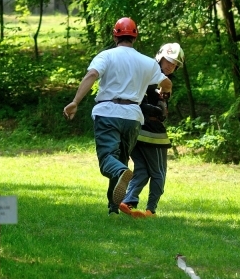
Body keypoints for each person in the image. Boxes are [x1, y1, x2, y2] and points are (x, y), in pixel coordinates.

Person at [63, 18, 172, 215]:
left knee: (108, 160)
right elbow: (166, 83)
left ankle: (121, 175)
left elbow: (91, 76)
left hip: (107, 113)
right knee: (121, 159)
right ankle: (113, 209)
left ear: (115, 36)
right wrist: (163, 96)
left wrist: (75, 102)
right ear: (135, 37)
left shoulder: (106, 56)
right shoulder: (148, 62)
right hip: (132, 117)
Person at [118, 43, 184, 218]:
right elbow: (132, 97)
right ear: (160, 57)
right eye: (168, 60)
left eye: (174, 63)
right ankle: (151, 210)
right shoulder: (149, 73)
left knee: (142, 170)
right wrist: (148, 108)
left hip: (134, 129)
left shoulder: (164, 80)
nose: (170, 65)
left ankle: (127, 202)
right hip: (149, 131)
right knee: (159, 172)